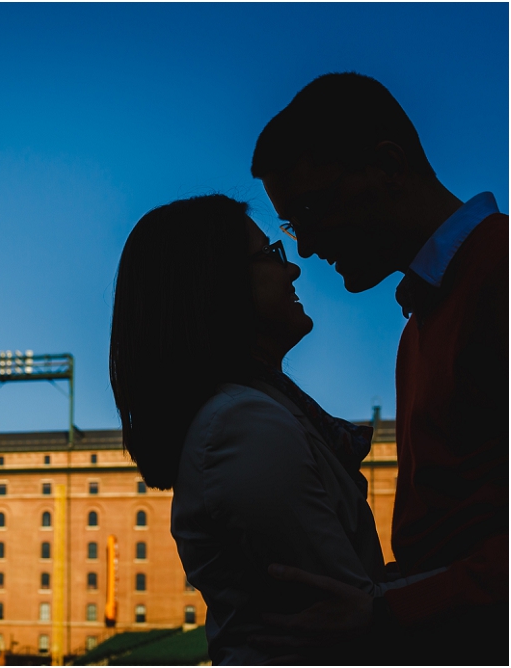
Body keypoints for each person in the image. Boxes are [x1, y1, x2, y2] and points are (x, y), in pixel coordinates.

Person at [250, 73, 508, 664]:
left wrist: (390, 610)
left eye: (311, 210)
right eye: (292, 227)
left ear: (387, 166)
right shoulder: (418, 324)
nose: (307, 247)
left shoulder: (501, 274)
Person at [109, 195, 404, 664]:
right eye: (270, 255)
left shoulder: (248, 414)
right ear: (216, 285)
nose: (294, 270)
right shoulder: (242, 426)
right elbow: (348, 608)